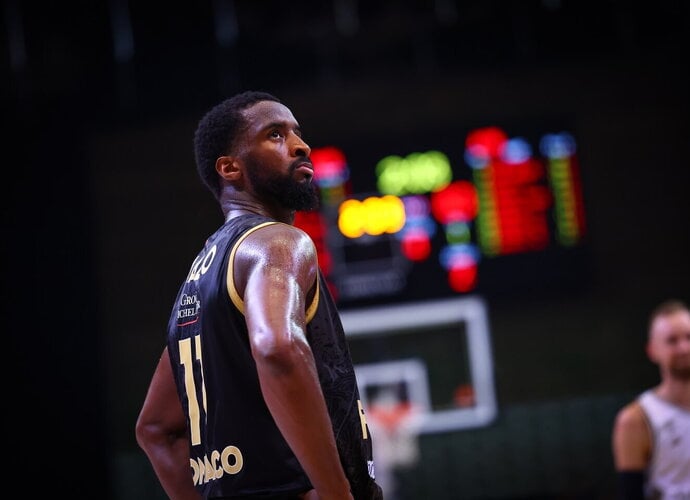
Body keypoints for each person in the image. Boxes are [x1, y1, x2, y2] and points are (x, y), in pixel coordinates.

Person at [135, 90, 384, 500]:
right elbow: (278, 348)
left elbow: (156, 430)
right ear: (230, 168)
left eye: (297, 133)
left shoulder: (197, 284)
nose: (301, 146)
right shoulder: (277, 243)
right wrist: (337, 493)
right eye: (275, 135)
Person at [611, 299, 690, 500]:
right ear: (652, 351)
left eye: (688, 337)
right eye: (672, 341)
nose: (684, 348)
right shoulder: (636, 419)